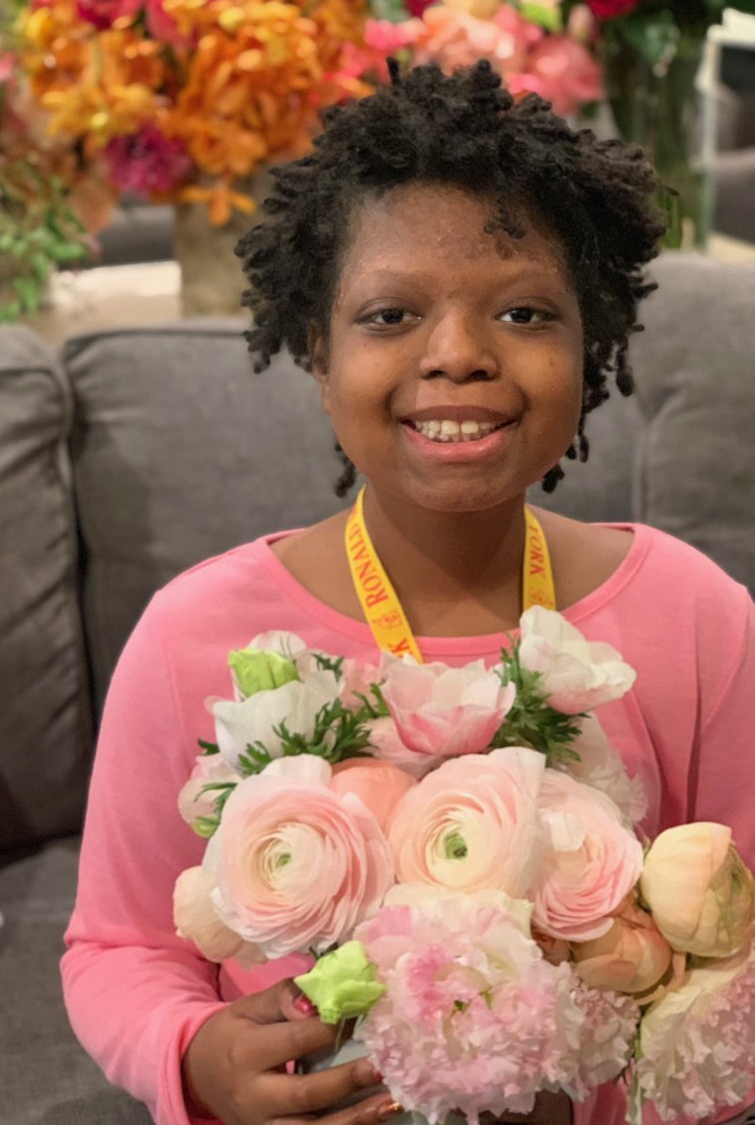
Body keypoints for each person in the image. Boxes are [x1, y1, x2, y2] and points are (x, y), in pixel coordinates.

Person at [61, 61, 755, 1125]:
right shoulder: (193, 636)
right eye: (390, 315)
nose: (460, 356)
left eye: (525, 312)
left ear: (592, 342)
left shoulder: (696, 619)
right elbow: (118, 948)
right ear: (316, 347)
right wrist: (193, 1056)